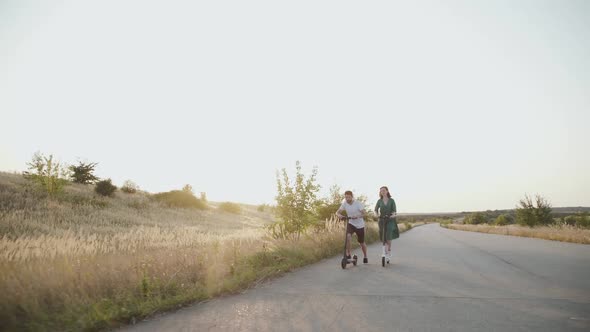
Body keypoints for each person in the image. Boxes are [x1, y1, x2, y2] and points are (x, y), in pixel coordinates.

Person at [336, 190, 369, 263]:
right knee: (348, 236)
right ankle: (348, 255)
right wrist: (340, 215)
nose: (347, 199)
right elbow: (337, 212)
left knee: (361, 242)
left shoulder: (358, 203)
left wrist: (357, 216)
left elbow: (364, 213)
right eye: (346, 197)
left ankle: (365, 256)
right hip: (351, 223)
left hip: (360, 225)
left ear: (352, 197)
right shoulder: (344, 203)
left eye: (349, 197)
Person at [374, 186, 399, 263]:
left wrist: (392, 215)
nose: (382, 192)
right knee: (383, 237)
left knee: (388, 235)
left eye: (384, 190)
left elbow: (394, 211)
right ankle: (385, 251)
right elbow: (375, 210)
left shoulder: (392, 200)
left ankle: (388, 252)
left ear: (387, 191)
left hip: (390, 220)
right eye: (381, 191)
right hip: (382, 220)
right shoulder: (379, 201)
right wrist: (376, 215)